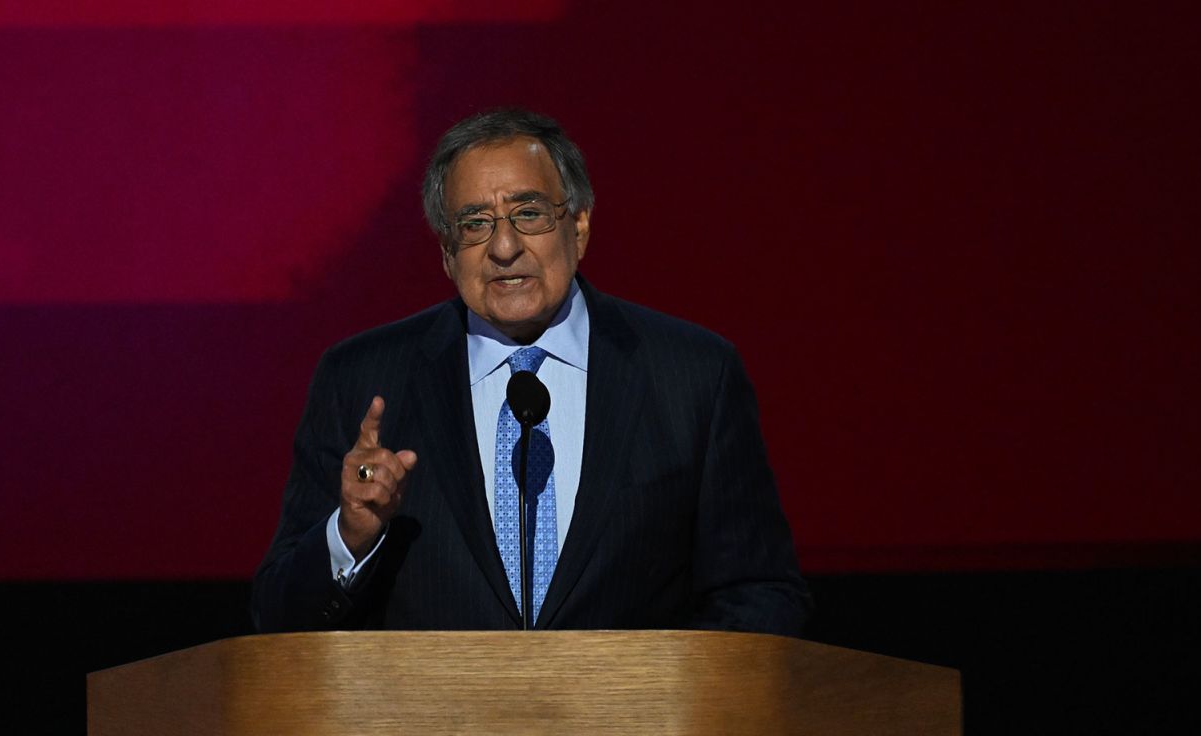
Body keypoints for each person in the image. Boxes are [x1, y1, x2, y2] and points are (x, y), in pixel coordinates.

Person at [252, 109, 811, 634]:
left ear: (580, 227)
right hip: (431, 734)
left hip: (630, 731)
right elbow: (276, 619)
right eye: (474, 223)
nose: (504, 246)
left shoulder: (693, 375)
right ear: (447, 253)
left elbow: (759, 594)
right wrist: (351, 536)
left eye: (529, 213)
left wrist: (668, 710)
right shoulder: (360, 380)